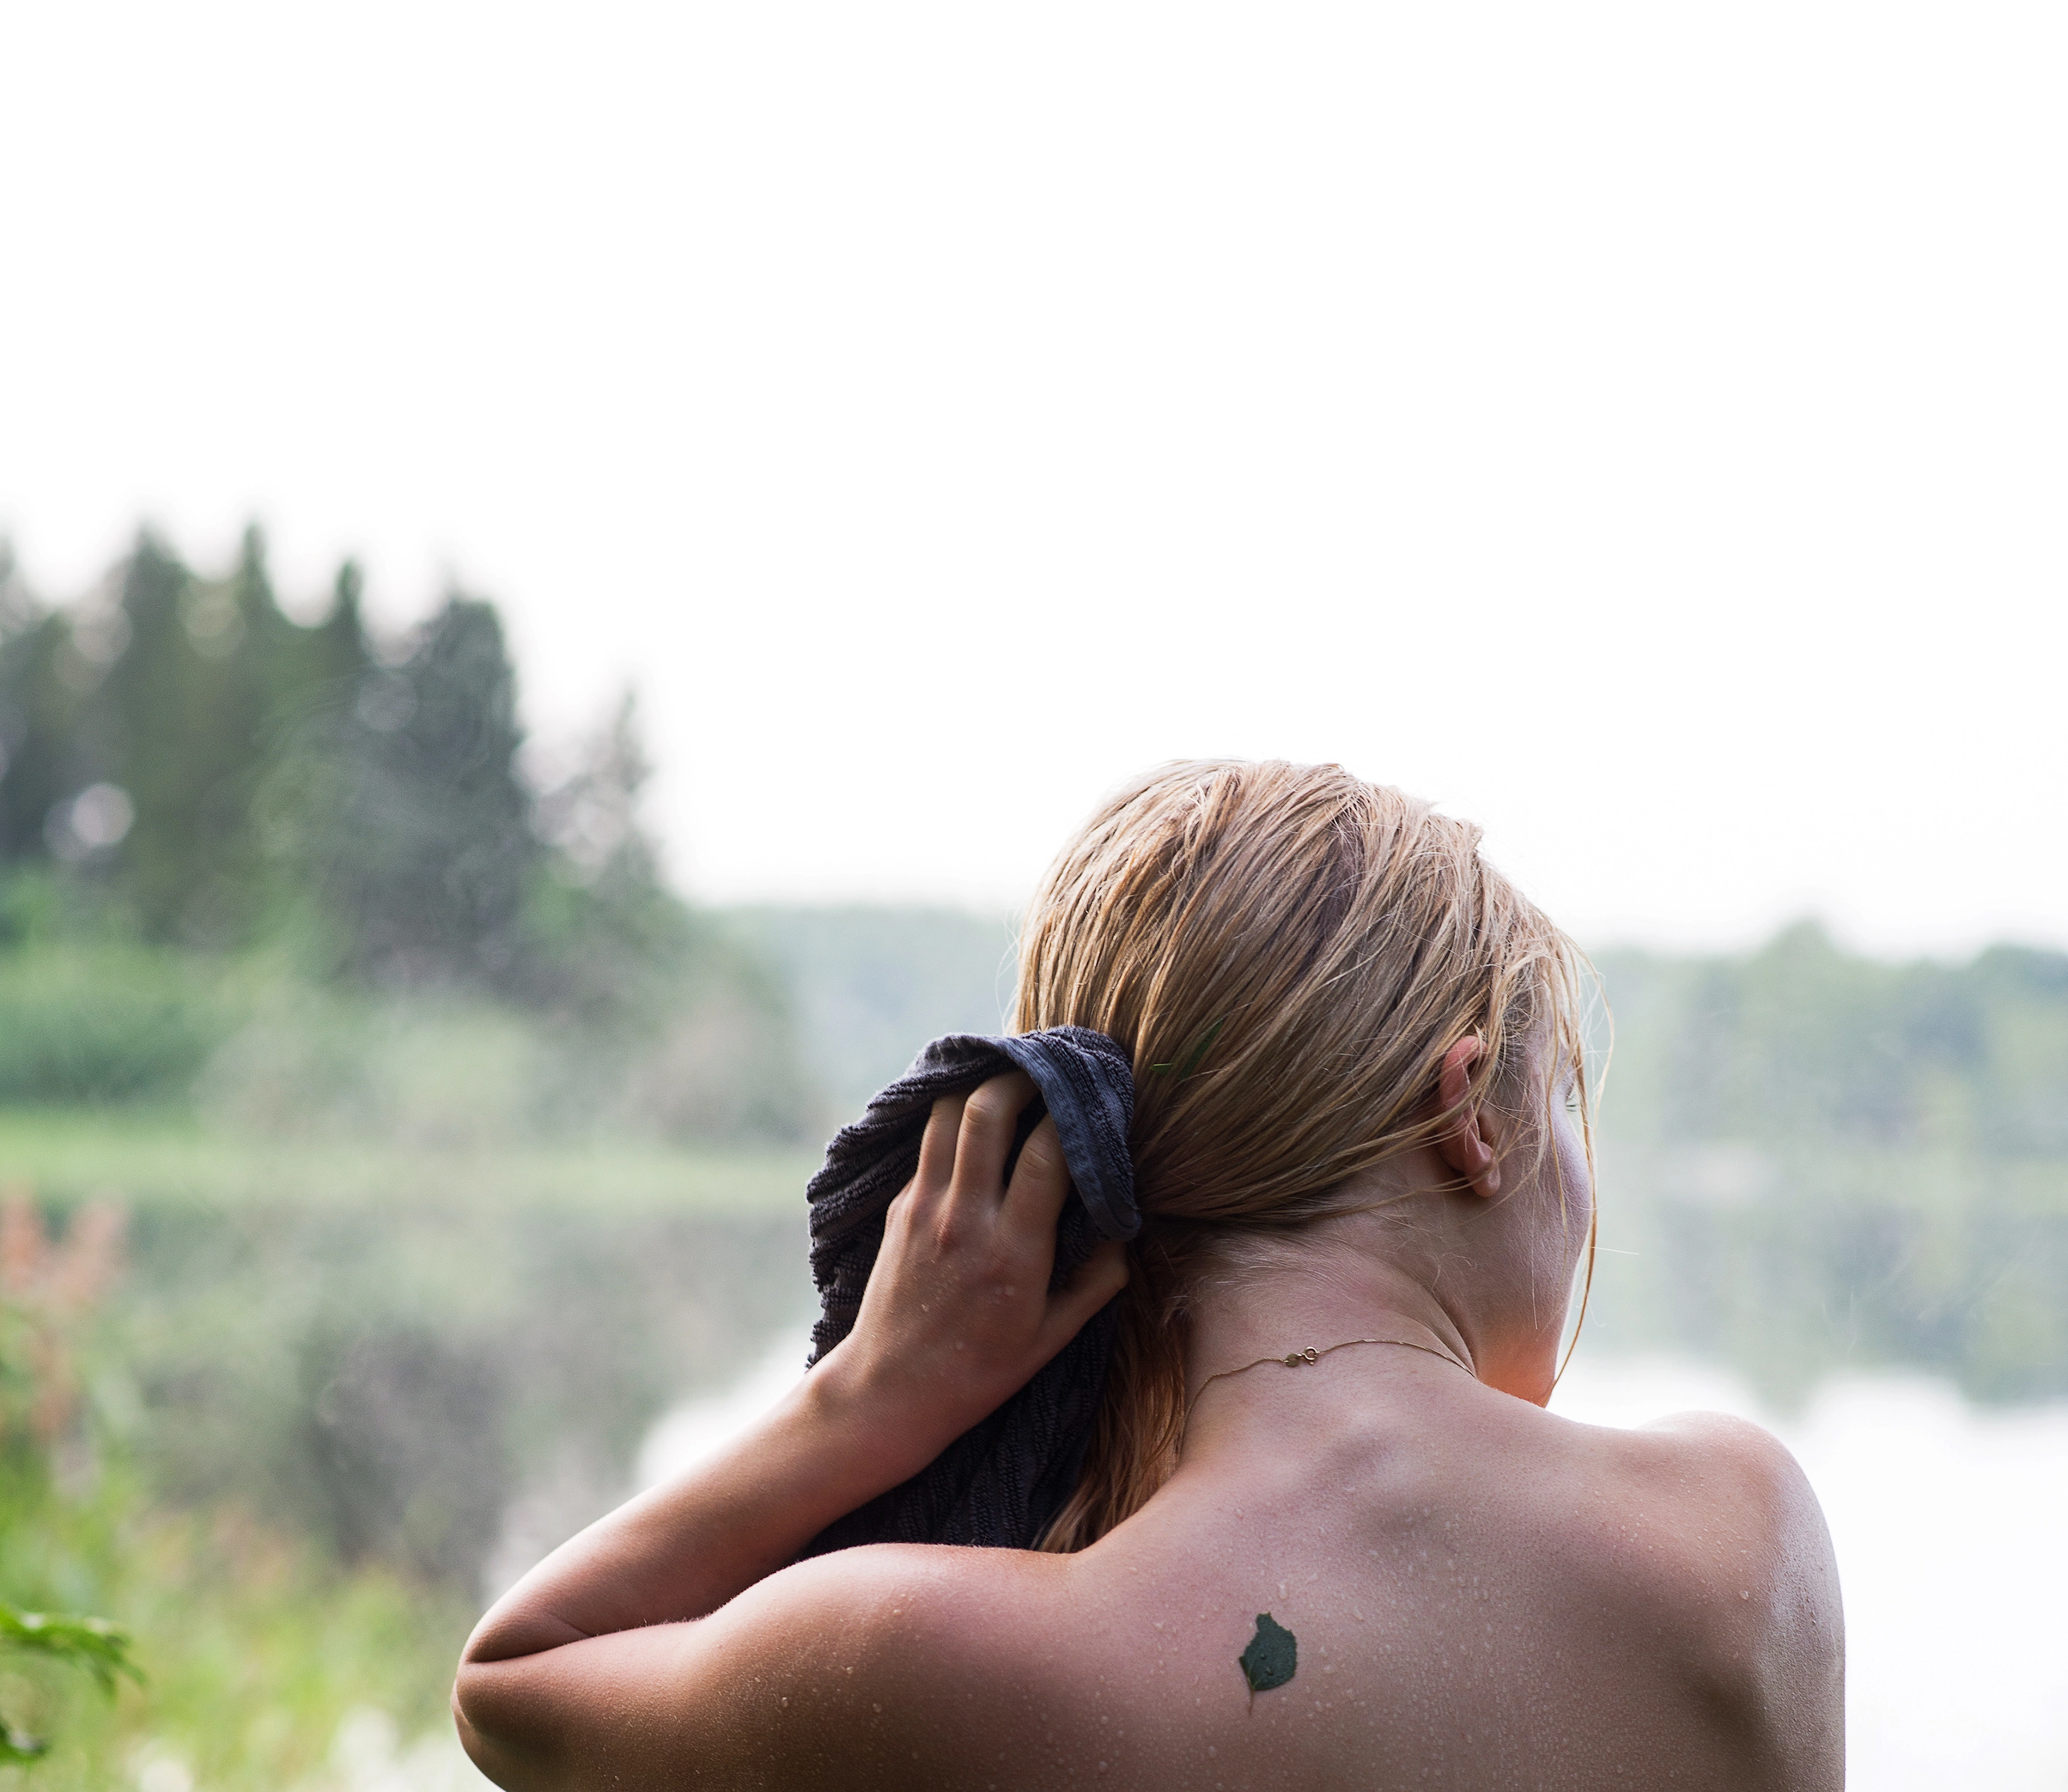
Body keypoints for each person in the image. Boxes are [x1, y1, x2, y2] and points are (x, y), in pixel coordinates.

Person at [453, 760, 1844, 1790]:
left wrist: (864, 1405)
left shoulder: (931, 1655)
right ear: (1471, 1111)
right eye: (1565, 1106)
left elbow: (516, 1684)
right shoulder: (1737, 1540)